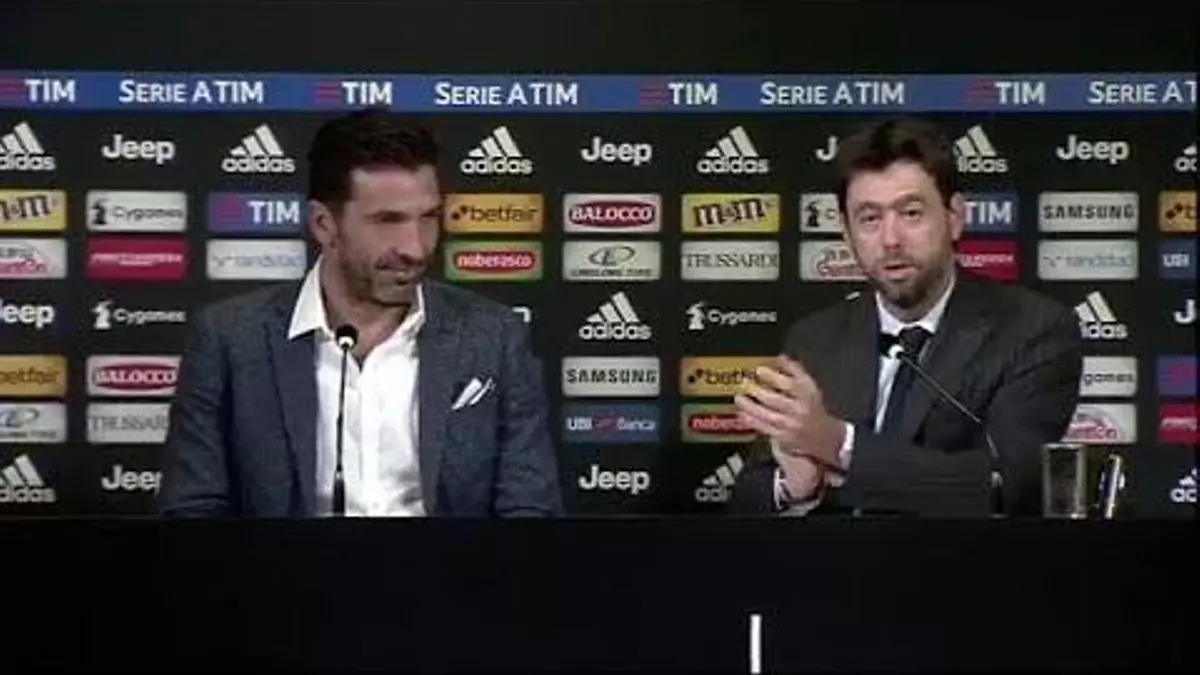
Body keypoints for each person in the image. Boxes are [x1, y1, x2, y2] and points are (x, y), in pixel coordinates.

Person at [158, 109, 563, 517]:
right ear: (323, 224)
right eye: (388, 221)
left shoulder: (494, 336)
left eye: (428, 218)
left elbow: (530, 516)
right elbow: (192, 513)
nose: (416, 248)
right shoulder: (229, 339)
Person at [729, 117, 1082, 518]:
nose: (891, 239)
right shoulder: (815, 338)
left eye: (911, 213)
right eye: (869, 218)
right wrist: (794, 487)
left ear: (954, 217)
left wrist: (838, 444)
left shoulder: (1034, 330)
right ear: (846, 232)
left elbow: (1011, 487)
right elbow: (746, 503)